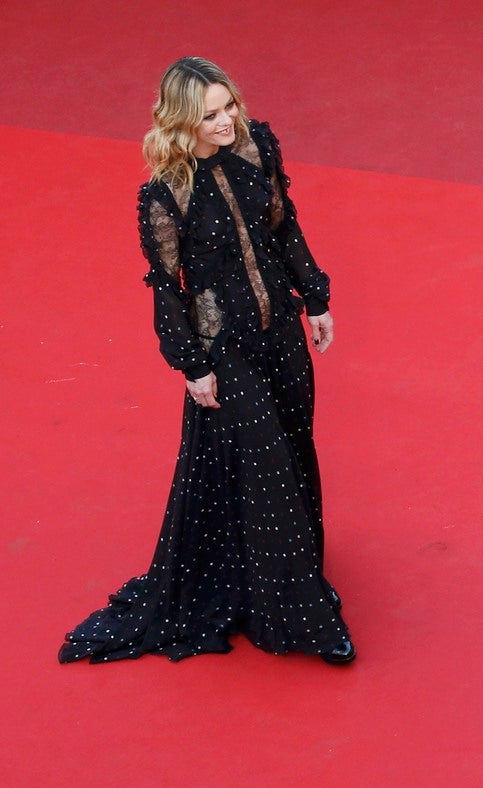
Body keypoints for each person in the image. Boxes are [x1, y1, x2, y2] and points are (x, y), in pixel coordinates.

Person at [59, 56, 353, 665]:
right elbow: (168, 286)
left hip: (282, 335)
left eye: (230, 107)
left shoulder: (256, 149)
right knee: (268, 464)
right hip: (227, 347)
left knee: (294, 452)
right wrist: (191, 365)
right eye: (211, 115)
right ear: (182, 122)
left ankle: (274, 584)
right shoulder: (164, 195)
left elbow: (283, 227)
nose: (227, 122)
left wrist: (316, 298)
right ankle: (307, 621)